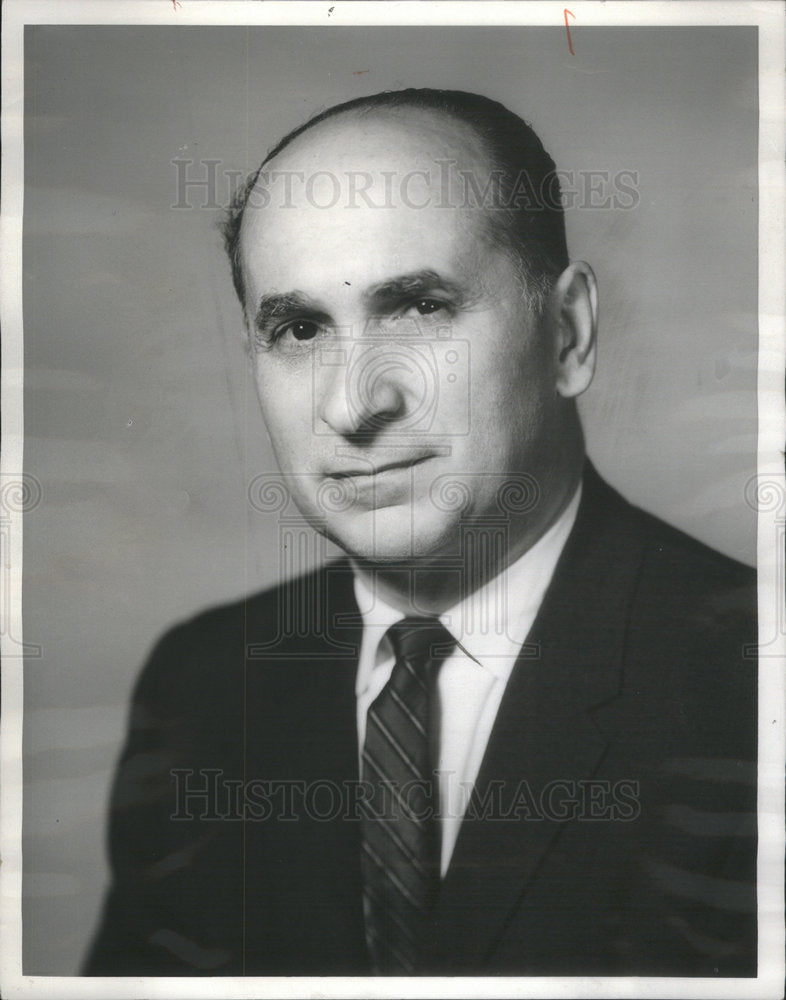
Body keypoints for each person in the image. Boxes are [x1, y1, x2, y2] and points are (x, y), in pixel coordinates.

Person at [84, 89, 757, 977]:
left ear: (568, 334)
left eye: (419, 308)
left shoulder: (753, 682)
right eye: (298, 328)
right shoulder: (202, 689)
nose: (354, 404)